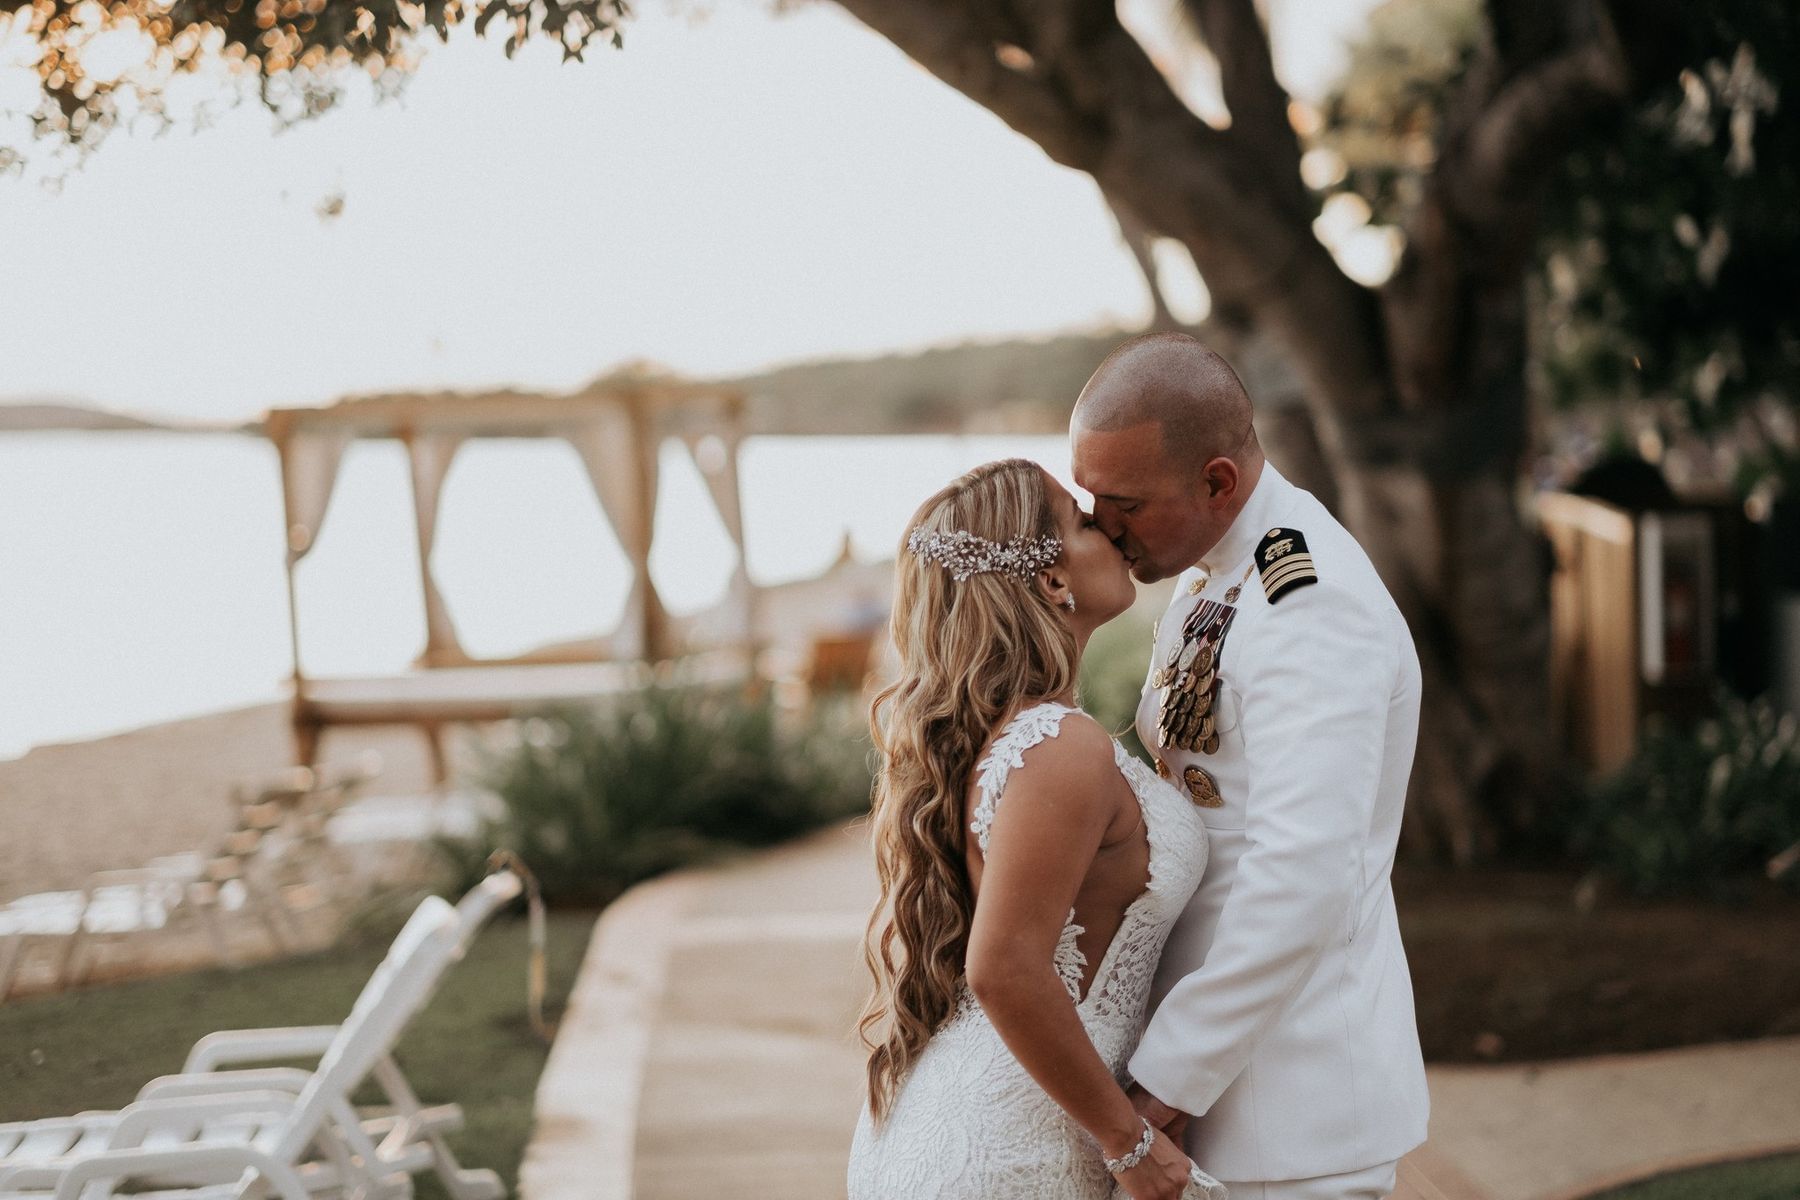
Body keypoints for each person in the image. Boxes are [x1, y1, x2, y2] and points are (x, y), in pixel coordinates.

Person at [1071, 332, 1430, 1200]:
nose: (1099, 526)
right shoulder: (1214, 575)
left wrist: (1166, 1079)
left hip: (1288, 1108)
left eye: (1123, 502)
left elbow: (1302, 875)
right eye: (1089, 497)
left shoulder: (1311, 606)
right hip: (1228, 1094)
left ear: (1217, 482)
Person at [847, 459, 1225, 1200]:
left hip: (979, 1131)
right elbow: (1004, 967)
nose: (1111, 528)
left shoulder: (1013, 735)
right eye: (1085, 522)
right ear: (1052, 582)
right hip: (1006, 1157)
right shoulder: (1058, 745)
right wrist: (1130, 1143)